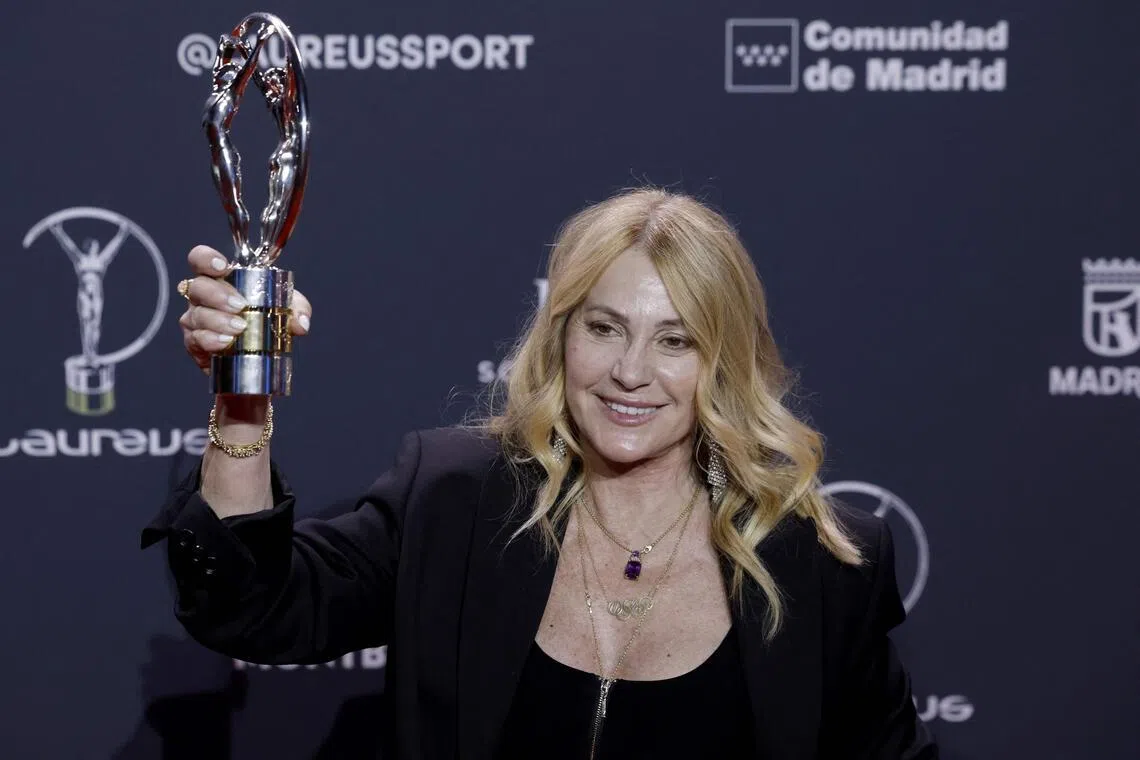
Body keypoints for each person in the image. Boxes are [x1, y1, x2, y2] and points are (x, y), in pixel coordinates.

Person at [144, 188, 938, 759]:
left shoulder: (824, 567)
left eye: (675, 341)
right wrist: (241, 395)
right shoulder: (453, 499)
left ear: (722, 363)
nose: (631, 372)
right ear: (560, 336)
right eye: (604, 328)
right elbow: (251, 607)